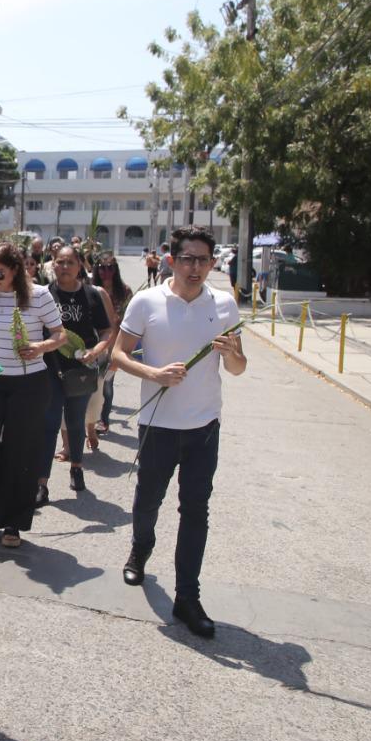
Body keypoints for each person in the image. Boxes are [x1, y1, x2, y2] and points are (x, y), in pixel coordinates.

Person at [110, 226, 246, 639]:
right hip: (158, 426)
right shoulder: (147, 301)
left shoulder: (224, 304)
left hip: (204, 426)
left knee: (196, 510)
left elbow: (238, 369)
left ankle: (188, 596)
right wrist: (153, 372)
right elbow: (117, 354)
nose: (196, 268)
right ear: (171, 259)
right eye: (188, 259)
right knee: (148, 500)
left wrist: (234, 353)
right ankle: (140, 547)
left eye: (204, 260)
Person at [0, 241, 65, 547]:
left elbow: (60, 335)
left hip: (30, 383)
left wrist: (40, 347)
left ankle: (12, 522)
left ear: (15, 269)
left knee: (21, 450)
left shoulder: (39, 296)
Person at [41, 244, 113, 498]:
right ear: (53, 263)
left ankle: (76, 467)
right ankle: (42, 482)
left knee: (76, 420)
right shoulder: (44, 294)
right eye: (60, 262)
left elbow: (106, 330)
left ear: (80, 265)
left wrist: (97, 351)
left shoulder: (92, 295)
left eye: (70, 262)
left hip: (81, 368)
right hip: (50, 368)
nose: (64, 267)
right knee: (49, 423)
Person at [87, 254, 133, 439]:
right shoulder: (91, 290)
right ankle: (89, 420)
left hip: (114, 345)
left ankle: (103, 420)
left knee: (106, 384)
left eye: (110, 267)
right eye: (102, 267)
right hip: (93, 344)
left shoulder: (125, 292)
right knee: (91, 385)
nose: (106, 272)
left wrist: (121, 349)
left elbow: (130, 323)